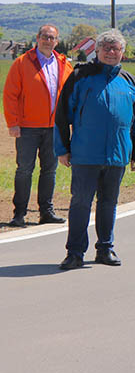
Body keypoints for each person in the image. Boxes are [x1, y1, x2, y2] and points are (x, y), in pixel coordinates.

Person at [54, 29, 135, 270]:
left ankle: (105, 248)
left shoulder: (130, 82)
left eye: (115, 48)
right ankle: (75, 252)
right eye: (106, 48)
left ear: (123, 53)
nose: (111, 52)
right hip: (86, 155)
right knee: (81, 203)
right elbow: (63, 115)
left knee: (109, 203)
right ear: (96, 51)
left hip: (117, 155)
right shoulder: (79, 76)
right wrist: (62, 149)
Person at [3, 25, 73, 227]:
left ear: (57, 41)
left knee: (50, 170)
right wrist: (13, 123)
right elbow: (10, 95)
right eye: (45, 37)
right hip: (27, 127)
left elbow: (70, 95)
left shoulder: (63, 64)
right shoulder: (22, 62)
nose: (48, 40)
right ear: (37, 38)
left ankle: (46, 212)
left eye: (52, 38)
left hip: (54, 128)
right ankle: (20, 213)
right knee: (24, 170)